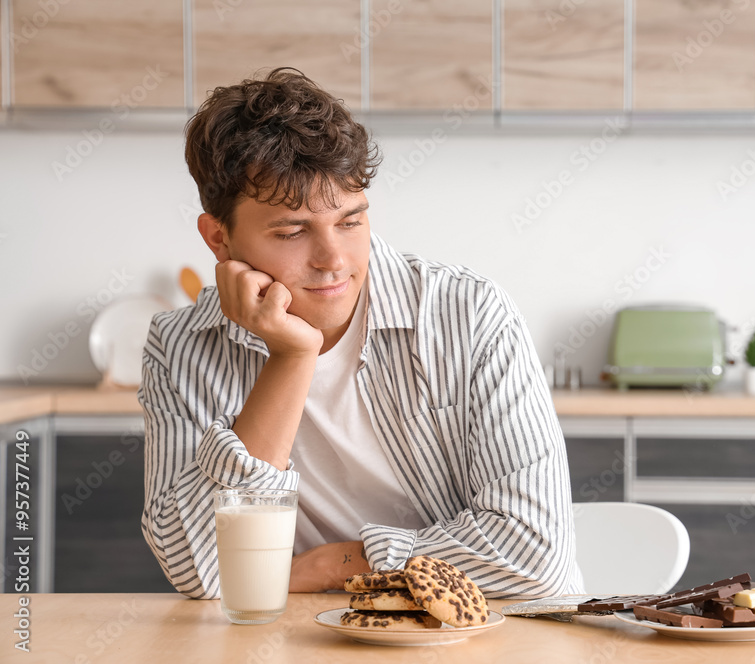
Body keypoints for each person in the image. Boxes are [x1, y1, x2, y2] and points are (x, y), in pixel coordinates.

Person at [139, 67, 583, 599]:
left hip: (476, 637)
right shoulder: (181, 346)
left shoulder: (469, 315)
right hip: (294, 639)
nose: (334, 260)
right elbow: (202, 570)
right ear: (219, 240)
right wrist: (290, 357)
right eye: (292, 231)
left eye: (350, 222)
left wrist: (336, 564)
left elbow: (536, 554)